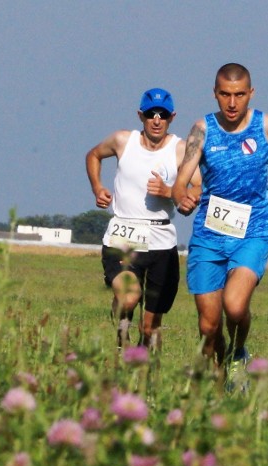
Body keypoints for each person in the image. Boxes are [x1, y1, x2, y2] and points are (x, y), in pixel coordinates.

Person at [173, 64, 268, 372]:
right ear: (215, 94)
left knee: (235, 306)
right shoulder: (203, 129)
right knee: (209, 328)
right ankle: (221, 384)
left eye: (239, 95)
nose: (232, 103)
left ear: (251, 93)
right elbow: (182, 179)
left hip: (252, 233)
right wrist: (180, 197)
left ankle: (238, 352)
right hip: (209, 236)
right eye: (225, 95)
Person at [86, 87, 198, 350]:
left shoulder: (181, 149)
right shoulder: (123, 140)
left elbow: (198, 188)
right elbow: (93, 155)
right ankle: (121, 333)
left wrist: (171, 192)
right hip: (123, 235)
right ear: (140, 116)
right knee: (128, 297)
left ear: (172, 117)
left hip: (161, 242)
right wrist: (97, 188)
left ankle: (148, 376)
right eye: (150, 114)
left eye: (162, 114)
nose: (156, 119)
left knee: (150, 327)